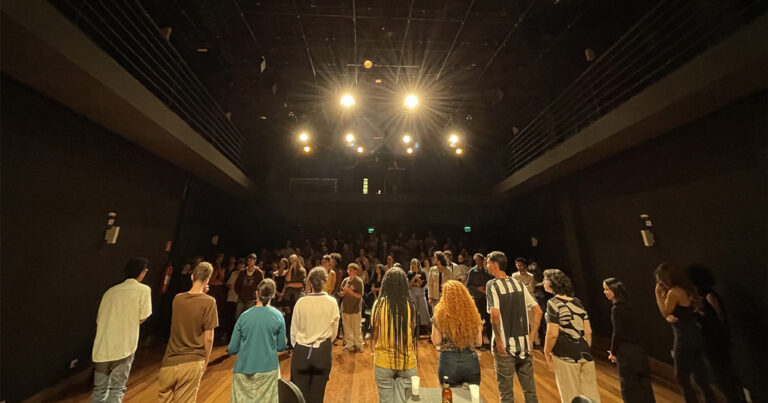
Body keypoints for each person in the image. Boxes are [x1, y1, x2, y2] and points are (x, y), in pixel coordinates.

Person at [91, 257, 152, 402]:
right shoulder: (143, 290)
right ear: (143, 272)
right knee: (117, 389)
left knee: (99, 389)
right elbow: (143, 316)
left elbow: (99, 319)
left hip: (102, 347)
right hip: (124, 346)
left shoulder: (110, 291)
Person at [654, 263, 716, 403]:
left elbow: (665, 311)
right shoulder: (684, 290)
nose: (659, 283)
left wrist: (657, 294)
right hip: (694, 334)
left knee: (682, 377)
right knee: (700, 376)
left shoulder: (673, 293)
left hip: (684, 338)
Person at [158, 262, 218, 403]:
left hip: (169, 361)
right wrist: (206, 360)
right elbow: (209, 337)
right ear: (208, 279)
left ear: (192, 277)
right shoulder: (209, 302)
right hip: (192, 361)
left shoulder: (177, 299)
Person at [486, 251, 541, 403]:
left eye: (488, 262)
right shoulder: (519, 284)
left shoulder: (492, 285)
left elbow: (495, 314)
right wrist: (531, 338)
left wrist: (498, 340)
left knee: (506, 394)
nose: (487, 265)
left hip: (505, 346)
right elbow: (538, 311)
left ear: (495, 265)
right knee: (530, 392)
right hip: (524, 345)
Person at [687, 265, 745, 402]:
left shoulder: (709, 296)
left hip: (718, 344)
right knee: (722, 380)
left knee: (725, 379)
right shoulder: (700, 297)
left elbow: (719, 319)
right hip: (712, 344)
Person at [542, 269, 599, 403]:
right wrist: (584, 347)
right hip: (584, 353)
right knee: (591, 396)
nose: (543, 282)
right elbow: (588, 331)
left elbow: (552, 333)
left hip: (564, 354)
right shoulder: (577, 301)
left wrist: (546, 352)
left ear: (552, 283)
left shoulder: (553, 303)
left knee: (570, 396)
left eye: (545, 279)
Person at [228, 279, 286, 402]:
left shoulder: (243, 317)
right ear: (273, 294)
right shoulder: (278, 316)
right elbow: (281, 347)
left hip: (243, 370)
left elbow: (232, 348)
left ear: (256, 293)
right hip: (268, 370)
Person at [290, 267, 339, 403]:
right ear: (324, 282)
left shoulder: (301, 302)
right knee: (317, 397)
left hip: (301, 352)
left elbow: (294, 331)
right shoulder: (332, 302)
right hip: (322, 352)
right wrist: (324, 342)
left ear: (309, 283)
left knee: (300, 397)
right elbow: (334, 331)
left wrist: (301, 346)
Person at [602, 278, 655, 403]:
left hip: (626, 351)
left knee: (629, 387)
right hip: (639, 350)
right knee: (644, 385)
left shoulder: (616, 309)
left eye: (607, 289)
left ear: (614, 289)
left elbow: (618, 332)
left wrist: (613, 352)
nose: (605, 292)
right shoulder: (631, 304)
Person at [372, 268, 417, 403]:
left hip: (383, 361)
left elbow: (375, 333)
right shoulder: (410, 305)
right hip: (407, 362)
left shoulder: (379, 304)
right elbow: (412, 329)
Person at [431, 280, 483, 386]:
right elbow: (479, 342)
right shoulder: (473, 314)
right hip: (470, 363)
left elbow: (436, 341)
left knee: (449, 397)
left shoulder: (440, 315)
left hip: (448, 363)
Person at [466, 253, 493, 349]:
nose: (477, 262)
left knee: (489, 320)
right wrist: (477, 289)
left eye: (479, 260)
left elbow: (492, 282)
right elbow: (468, 285)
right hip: (477, 298)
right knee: (478, 320)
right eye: (476, 260)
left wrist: (486, 289)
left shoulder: (487, 272)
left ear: (482, 260)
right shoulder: (472, 272)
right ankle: (479, 341)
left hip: (486, 299)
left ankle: (490, 342)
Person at [283, 254, 307, 348]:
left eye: (293, 261)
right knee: (288, 320)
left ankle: (299, 341)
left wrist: (289, 285)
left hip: (298, 297)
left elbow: (301, 284)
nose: (292, 262)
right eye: (290, 261)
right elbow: (287, 279)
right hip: (289, 297)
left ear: (297, 261)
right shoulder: (289, 271)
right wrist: (290, 269)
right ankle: (289, 342)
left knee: (298, 320)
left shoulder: (302, 271)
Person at [340, 263, 365, 352]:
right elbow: (341, 294)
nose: (349, 272)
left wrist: (350, 291)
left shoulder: (359, 282)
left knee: (356, 328)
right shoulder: (345, 281)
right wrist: (345, 292)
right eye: (348, 270)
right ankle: (349, 344)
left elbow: (359, 296)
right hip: (345, 308)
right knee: (346, 328)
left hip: (355, 309)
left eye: (351, 270)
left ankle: (359, 345)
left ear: (355, 271)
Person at [234, 254, 264, 319]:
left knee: (250, 318)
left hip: (252, 300)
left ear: (255, 261)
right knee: (238, 317)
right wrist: (239, 293)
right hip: (241, 299)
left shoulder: (258, 273)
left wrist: (257, 296)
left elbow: (261, 286)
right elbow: (237, 284)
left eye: (251, 260)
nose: (249, 262)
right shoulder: (242, 272)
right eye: (248, 260)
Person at [407, 258, 431, 333]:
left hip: (420, 293)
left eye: (415, 263)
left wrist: (417, 281)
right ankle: (413, 328)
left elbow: (422, 284)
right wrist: (415, 278)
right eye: (412, 263)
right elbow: (409, 285)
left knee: (423, 309)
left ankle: (427, 327)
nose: (414, 265)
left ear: (418, 264)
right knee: (413, 310)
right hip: (412, 293)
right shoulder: (409, 274)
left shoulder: (422, 273)